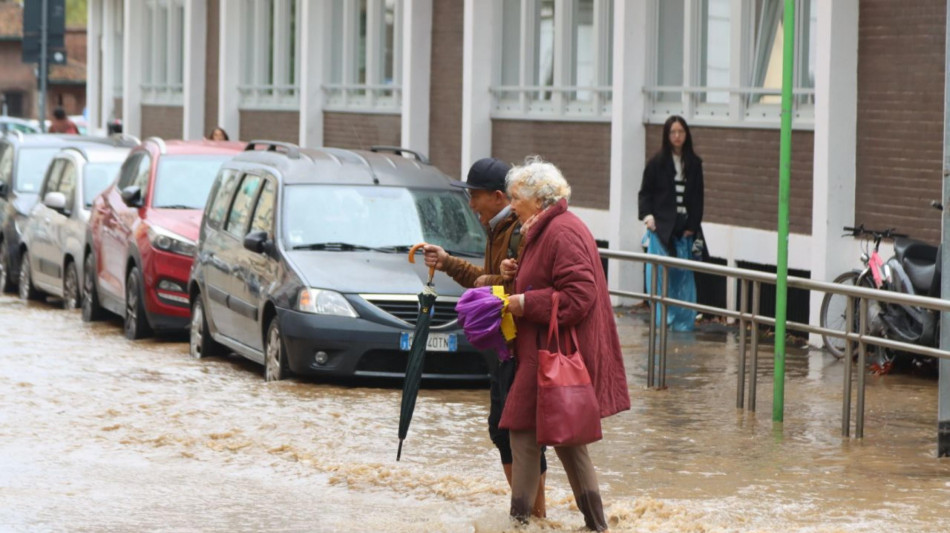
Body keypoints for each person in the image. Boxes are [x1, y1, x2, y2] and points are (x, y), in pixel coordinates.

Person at [499, 156, 629, 532]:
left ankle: (524, 523)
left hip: (554, 356)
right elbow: (549, 279)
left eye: (516, 198)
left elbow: (578, 296)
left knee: (537, 437)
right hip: (542, 355)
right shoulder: (544, 228)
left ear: (539, 200)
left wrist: (525, 302)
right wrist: (515, 275)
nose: (511, 205)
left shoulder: (562, 231)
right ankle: (587, 525)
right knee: (545, 437)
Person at [422, 157, 547, 518]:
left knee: (511, 431)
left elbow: (519, 286)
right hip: (502, 345)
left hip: (516, 345)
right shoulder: (497, 229)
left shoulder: (519, 231)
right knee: (505, 430)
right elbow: (489, 281)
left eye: (473, 196)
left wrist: (487, 281)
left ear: (497, 196)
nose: (470, 204)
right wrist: (446, 262)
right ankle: (533, 516)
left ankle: (533, 516)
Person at [638, 115, 707, 331]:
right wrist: (648, 218)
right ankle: (662, 323)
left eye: (681, 132)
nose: (677, 136)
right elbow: (645, 193)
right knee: (659, 279)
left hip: (684, 229)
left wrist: (693, 226)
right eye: (673, 132)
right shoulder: (656, 163)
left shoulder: (694, 164)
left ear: (686, 135)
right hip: (661, 228)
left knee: (684, 278)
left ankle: (683, 324)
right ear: (667, 136)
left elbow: (698, 197)